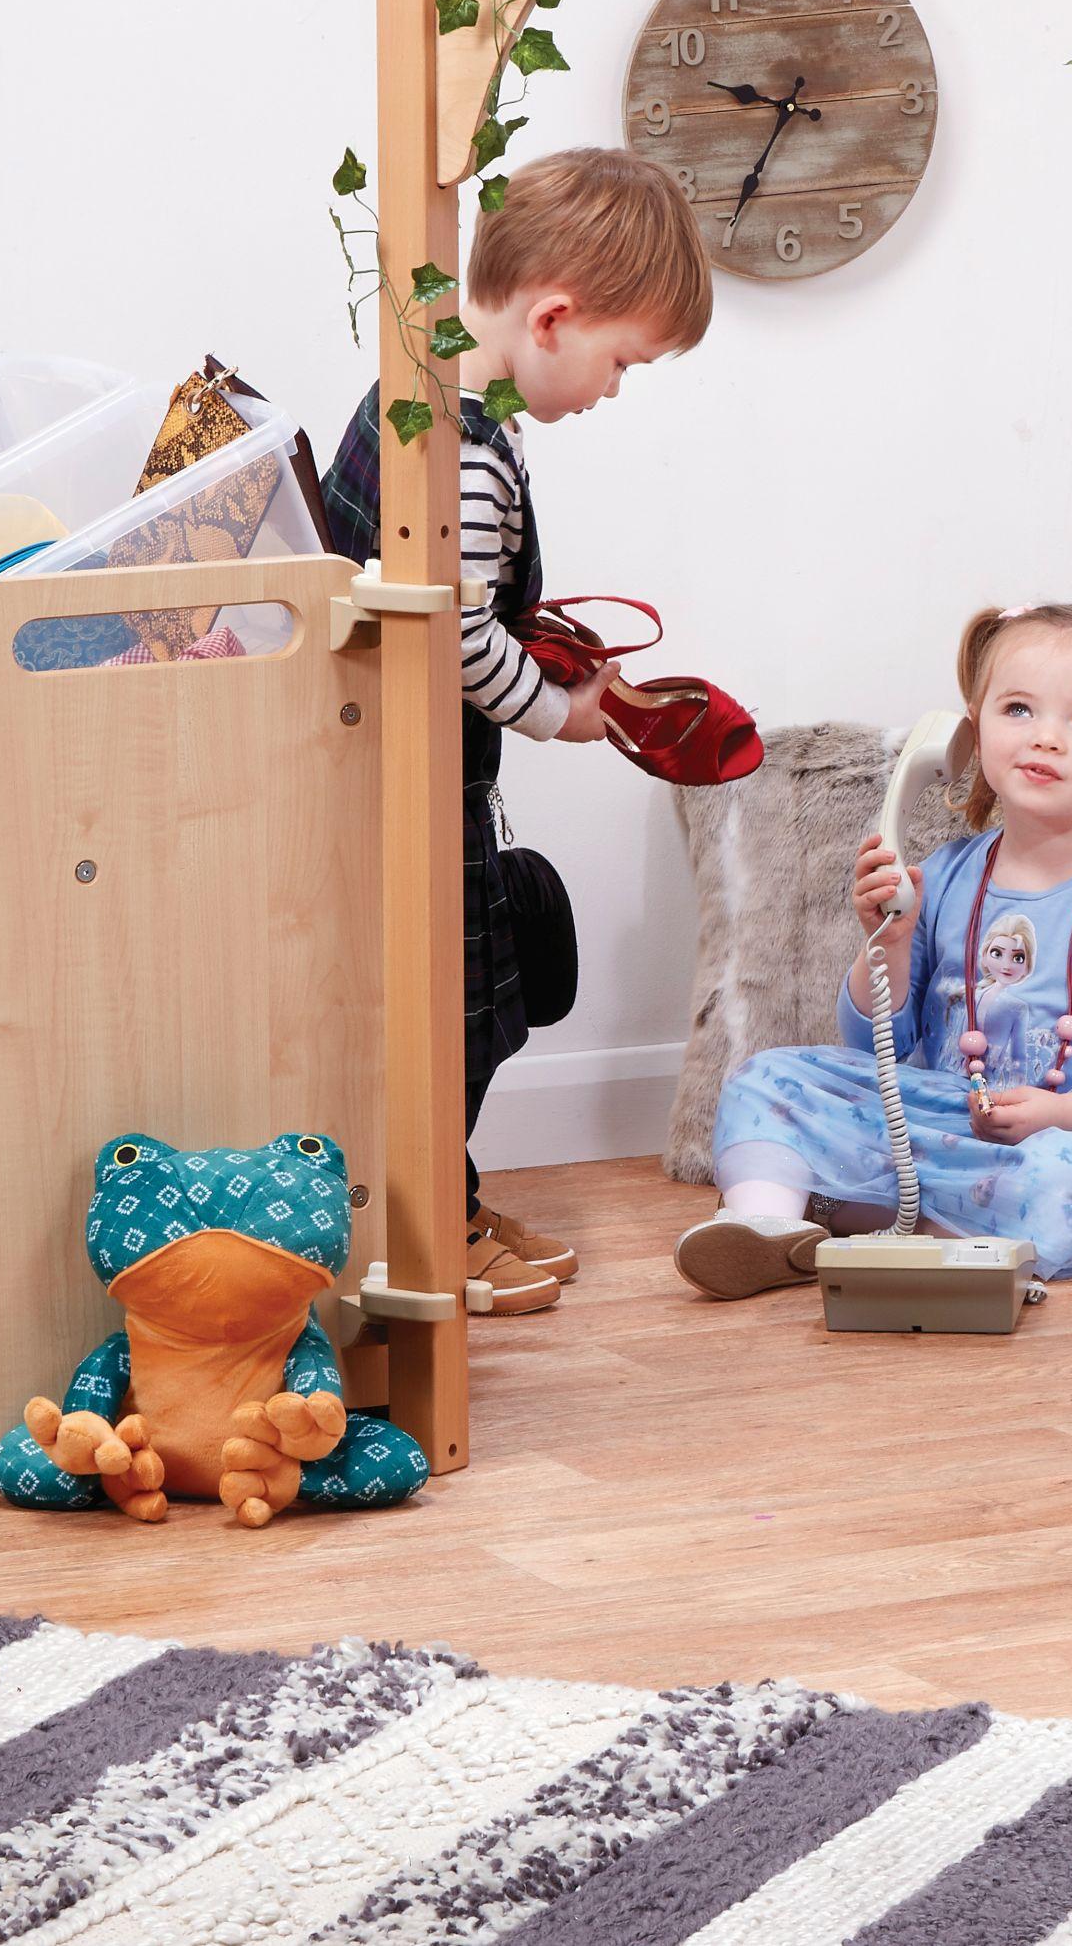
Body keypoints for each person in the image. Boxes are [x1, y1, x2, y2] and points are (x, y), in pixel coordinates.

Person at [318, 146, 711, 1314]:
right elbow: (456, 633)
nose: (614, 389)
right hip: (415, 778)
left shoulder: (430, 381)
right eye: (621, 362)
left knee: (458, 1005)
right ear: (552, 317)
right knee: (467, 1014)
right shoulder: (470, 449)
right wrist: (563, 712)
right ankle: (432, 1223)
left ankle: (452, 1191)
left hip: (399, 763)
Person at [677, 602, 1072, 1296]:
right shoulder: (944, 876)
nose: (1046, 739)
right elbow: (875, 1039)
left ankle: (916, 1231)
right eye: (1019, 709)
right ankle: (763, 1226)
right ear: (972, 731)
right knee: (764, 1078)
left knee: (1062, 1182)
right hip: (942, 1114)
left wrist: (1068, 1111)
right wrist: (891, 945)